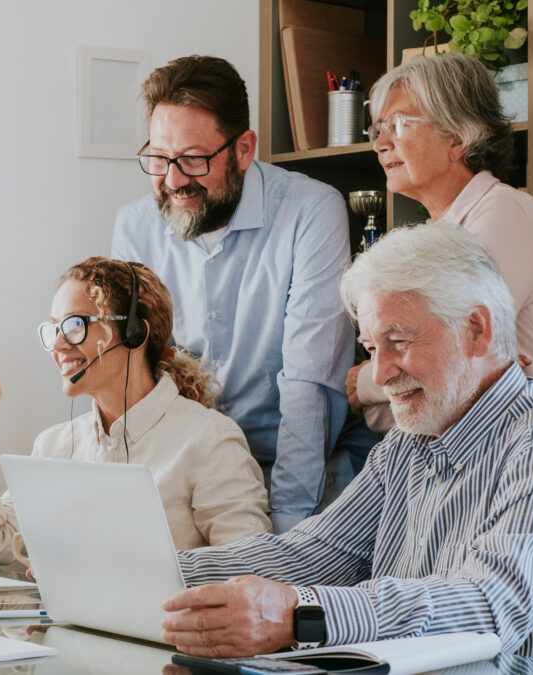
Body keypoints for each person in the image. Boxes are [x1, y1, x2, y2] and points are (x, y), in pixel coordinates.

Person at [160, 224, 533, 664]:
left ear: (476, 330)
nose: (379, 374)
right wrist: (156, 570)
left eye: (399, 342)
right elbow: (312, 553)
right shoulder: (409, 443)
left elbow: (487, 609)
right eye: (372, 348)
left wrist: (297, 615)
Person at [112, 55, 363, 533]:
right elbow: (134, 373)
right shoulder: (135, 226)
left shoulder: (311, 211)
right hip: (188, 468)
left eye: (193, 158)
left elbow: (308, 382)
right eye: (159, 158)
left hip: (294, 464)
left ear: (244, 149)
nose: (173, 180)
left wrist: (284, 531)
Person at [345, 52, 533, 468]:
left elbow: (456, 354)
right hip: (492, 463)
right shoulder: (438, 234)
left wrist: (366, 381)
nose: (381, 143)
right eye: (378, 128)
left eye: (399, 124)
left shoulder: (505, 212)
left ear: (458, 137)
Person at [0, 257, 271, 566]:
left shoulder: (210, 440)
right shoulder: (53, 446)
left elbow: (252, 569)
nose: (58, 345)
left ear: (134, 333)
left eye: (75, 325)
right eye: (54, 329)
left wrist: (112, 568)